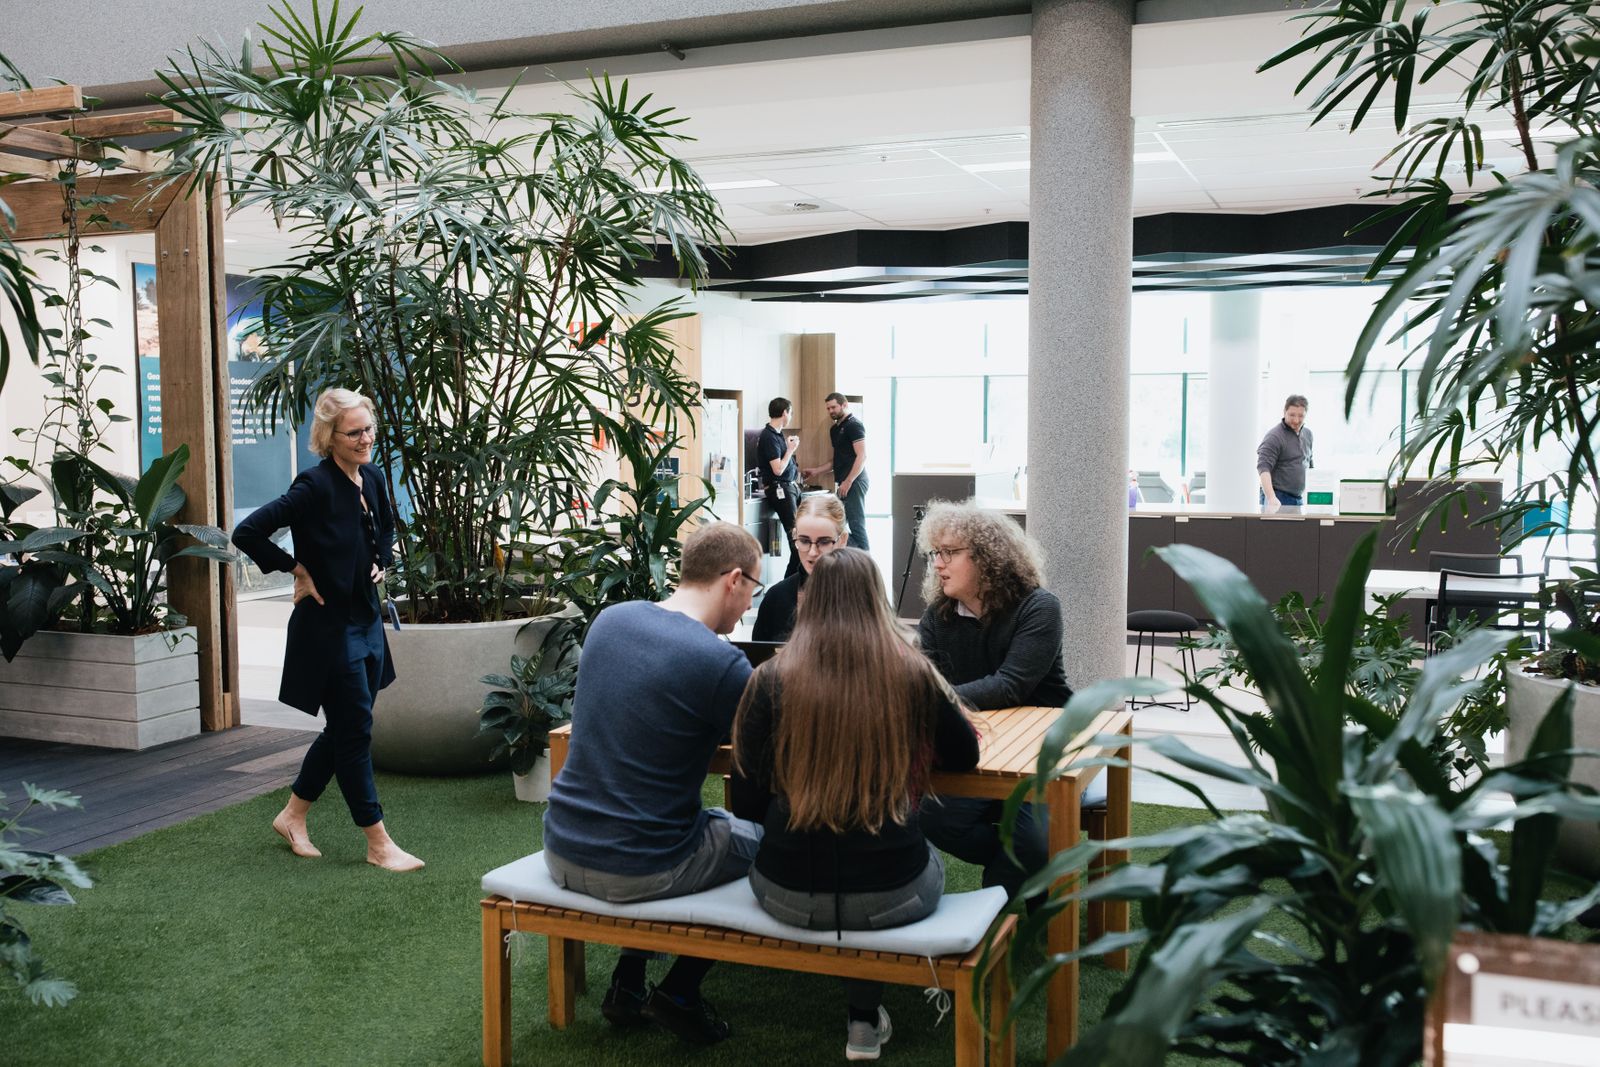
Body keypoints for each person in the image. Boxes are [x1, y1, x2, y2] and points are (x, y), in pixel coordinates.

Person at [730, 548, 978, 1063]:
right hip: (895, 891)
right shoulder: (910, 673)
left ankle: (863, 1017)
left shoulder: (769, 679)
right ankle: (862, 1017)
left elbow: (747, 802)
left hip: (785, 890)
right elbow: (964, 756)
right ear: (877, 601)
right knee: (915, 858)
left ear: (807, 601)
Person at [541, 522, 766, 1045]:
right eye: (753, 589)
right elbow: (774, 749)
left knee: (677, 823)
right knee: (768, 846)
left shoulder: (611, 620)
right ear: (734, 579)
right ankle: (680, 993)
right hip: (642, 867)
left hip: (562, 847)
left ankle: (627, 981)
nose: (747, 605)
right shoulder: (720, 662)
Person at [232, 388, 423, 872]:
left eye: (369, 429)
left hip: (367, 620)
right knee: (355, 732)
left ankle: (293, 815)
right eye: (354, 433)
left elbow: (385, 528)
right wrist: (296, 569)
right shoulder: (313, 486)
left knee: (345, 727)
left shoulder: (372, 476)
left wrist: (381, 560)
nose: (366, 439)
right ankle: (378, 842)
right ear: (329, 437)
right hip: (329, 628)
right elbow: (247, 532)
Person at [914, 500, 1072, 901]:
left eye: (949, 553)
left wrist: (934, 700)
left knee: (1033, 842)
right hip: (979, 744)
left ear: (987, 557)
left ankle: (1004, 898)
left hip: (1042, 746)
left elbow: (1010, 685)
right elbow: (924, 682)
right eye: (935, 553)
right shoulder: (938, 617)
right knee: (930, 818)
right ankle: (1015, 875)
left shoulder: (1038, 607)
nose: (938, 564)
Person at [751, 492, 847, 642]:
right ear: (794, 536)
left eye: (824, 542)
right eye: (804, 541)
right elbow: (760, 655)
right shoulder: (776, 598)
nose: (813, 552)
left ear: (842, 540)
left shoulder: (862, 595)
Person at [804, 392, 869, 551]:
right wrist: (816, 471)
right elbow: (837, 460)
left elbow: (862, 456)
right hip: (844, 484)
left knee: (856, 525)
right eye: (828, 408)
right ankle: (848, 558)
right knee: (836, 525)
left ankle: (866, 560)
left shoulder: (854, 425)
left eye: (833, 407)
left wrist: (848, 481)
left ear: (844, 405)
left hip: (855, 482)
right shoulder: (835, 429)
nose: (831, 411)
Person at [758, 397, 804, 578]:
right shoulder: (768, 436)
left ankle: (794, 581)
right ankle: (791, 582)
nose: (791, 416)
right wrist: (791, 449)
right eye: (790, 413)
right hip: (781, 490)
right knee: (796, 539)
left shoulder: (777, 434)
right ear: (785, 412)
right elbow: (777, 469)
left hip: (789, 488)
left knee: (800, 537)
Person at [1257, 394, 1314, 511]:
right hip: (1277, 497)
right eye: (1292, 415)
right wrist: (1271, 497)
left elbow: (1310, 464)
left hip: (1298, 499)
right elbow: (1263, 468)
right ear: (1284, 412)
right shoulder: (1274, 436)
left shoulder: (1308, 434)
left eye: (1301, 416)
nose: (1296, 420)